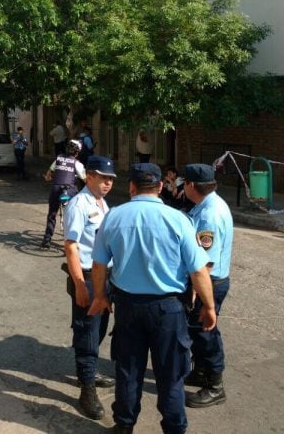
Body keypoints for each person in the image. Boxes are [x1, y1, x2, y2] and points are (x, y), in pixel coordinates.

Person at [88, 162, 216, 434]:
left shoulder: (114, 217)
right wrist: (209, 306)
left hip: (128, 307)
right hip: (168, 310)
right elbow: (198, 272)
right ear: (160, 187)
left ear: (131, 187)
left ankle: (124, 426)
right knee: (170, 376)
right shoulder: (179, 219)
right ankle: (174, 429)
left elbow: (98, 265)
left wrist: (100, 296)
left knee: (128, 371)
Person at [63, 155, 117, 420]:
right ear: (89, 177)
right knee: (87, 332)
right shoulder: (78, 204)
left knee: (99, 329)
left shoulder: (102, 203)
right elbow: (71, 246)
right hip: (86, 276)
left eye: (110, 179)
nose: (107, 183)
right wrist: (80, 285)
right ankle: (87, 389)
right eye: (103, 177)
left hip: (104, 276)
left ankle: (90, 371)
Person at [183, 163, 234, 409]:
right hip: (210, 281)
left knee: (205, 332)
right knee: (197, 330)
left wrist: (197, 293)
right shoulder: (209, 205)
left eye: (184, 183)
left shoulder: (208, 214)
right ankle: (201, 371)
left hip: (209, 283)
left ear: (192, 185)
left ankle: (215, 386)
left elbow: (206, 262)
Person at [41, 139, 85, 249]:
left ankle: (46, 240)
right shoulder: (77, 163)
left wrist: (47, 177)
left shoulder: (58, 159)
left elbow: (48, 174)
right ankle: (70, 244)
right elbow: (85, 179)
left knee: (52, 214)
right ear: (77, 152)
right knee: (70, 216)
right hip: (69, 191)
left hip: (56, 189)